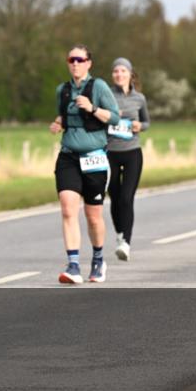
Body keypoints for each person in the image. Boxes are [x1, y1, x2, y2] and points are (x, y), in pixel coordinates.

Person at [50, 45, 120, 284]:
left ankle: (99, 259)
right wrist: (58, 124)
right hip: (68, 156)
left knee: (93, 216)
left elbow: (115, 117)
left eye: (80, 59)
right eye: (71, 59)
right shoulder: (63, 90)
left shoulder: (98, 87)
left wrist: (93, 108)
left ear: (89, 63)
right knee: (68, 209)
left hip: (95, 157)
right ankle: (73, 265)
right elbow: (63, 115)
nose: (75, 63)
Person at [106, 57, 150, 261]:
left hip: (132, 152)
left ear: (130, 74)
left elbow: (147, 122)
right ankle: (120, 233)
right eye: (116, 71)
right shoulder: (106, 96)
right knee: (114, 196)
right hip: (110, 152)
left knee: (126, 197)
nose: (119, 75)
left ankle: (126, 242)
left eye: (123, 71)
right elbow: (98, 118)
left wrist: (139, 126)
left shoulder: (139, 98)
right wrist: (112, 117)